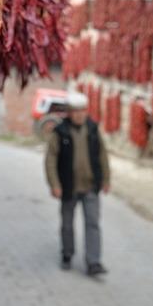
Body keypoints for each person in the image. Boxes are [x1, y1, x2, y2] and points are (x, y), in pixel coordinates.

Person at [44, 91, 110, 276]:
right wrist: (54, 184)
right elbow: (50, 159)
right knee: (67, 224)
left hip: (90, 185)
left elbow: (102, 155)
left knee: (93, 223)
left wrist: (106, 179)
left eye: (82, 111)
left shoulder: (93, 130)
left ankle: (93, 262)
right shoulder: (60, 133)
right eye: (75, 111)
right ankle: (67, 253)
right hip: (68, 186)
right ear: (69, 113)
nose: (79, 115)